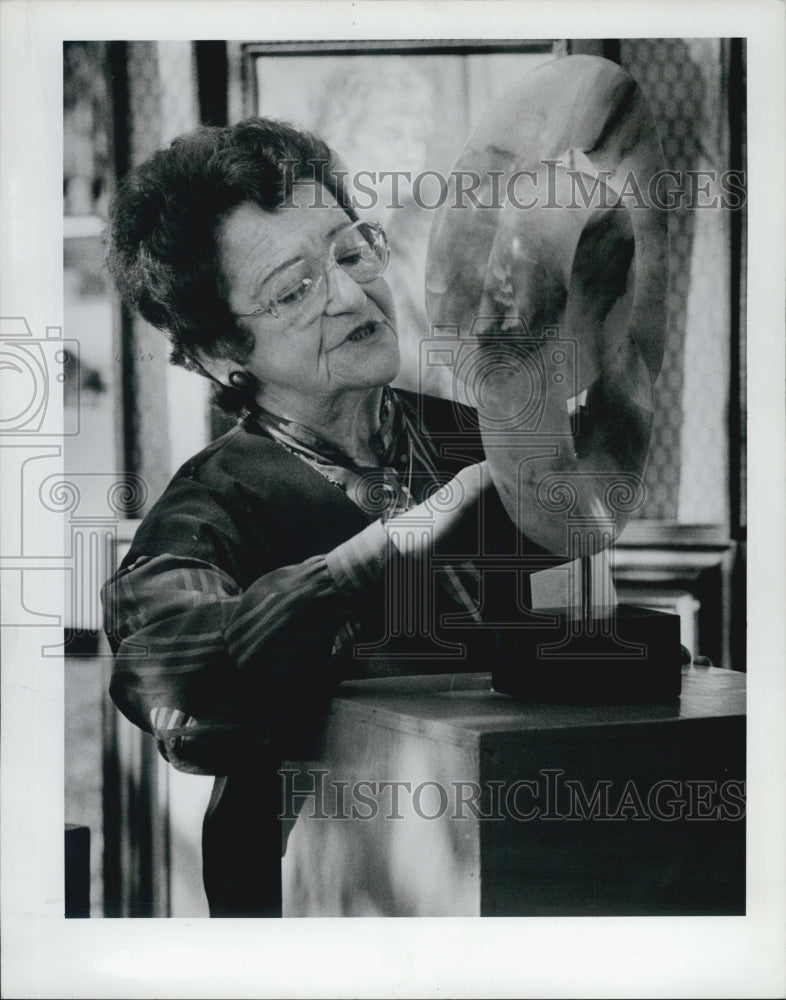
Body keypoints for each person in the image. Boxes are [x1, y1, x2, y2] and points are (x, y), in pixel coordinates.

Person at [102, 117, 528, 917]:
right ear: (221, 353)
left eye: (350, 248)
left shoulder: (471, 439)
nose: (347, 292)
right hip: (322, 902)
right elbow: (166, 668)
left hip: (516, 865)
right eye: (293, 289)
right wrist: (373, 561)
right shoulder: (212, 505)